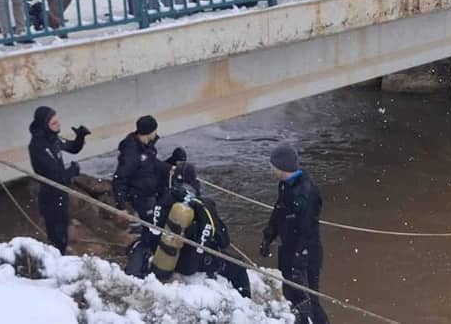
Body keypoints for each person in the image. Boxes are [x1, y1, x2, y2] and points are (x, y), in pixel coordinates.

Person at [125, 162, 251, 298]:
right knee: (238, 268)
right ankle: (246, 302)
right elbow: (224, 241)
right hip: (191, 264)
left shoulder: (164, 199)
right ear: (195, 182)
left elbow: (151, 234)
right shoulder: (203, 205)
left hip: (163, 257)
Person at [259, 144, 328, 324]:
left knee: (308, 299)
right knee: (290, 293)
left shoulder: (307, 191)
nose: (271, 169)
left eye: (273, 166)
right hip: (288, 249)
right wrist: (268, 236)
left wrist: (299, 261)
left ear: (282, 167)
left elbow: (307, 230)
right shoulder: (284, 185)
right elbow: (279, 212)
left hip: (306, 254)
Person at [27, 106, 90, 254]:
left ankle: (62, 250)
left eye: (58, 121)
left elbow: (72, 147)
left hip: (61, 195)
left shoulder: (53, 138)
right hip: (50, 196)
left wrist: (80, 136)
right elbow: (55, 177)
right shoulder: (39, 146)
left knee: (63, 229)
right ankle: (58, 255)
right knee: (56, 234)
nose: (58, 125)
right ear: (45, 125)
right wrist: (72, 171)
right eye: (54, 123)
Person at [112, 115, 186, 224]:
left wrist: (171, 165)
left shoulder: (147, 147)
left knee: (164, 218)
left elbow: (152, 164)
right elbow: (120, 178)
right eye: (155, 130)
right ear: (150, 132)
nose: (156, 132)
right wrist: (121, 205)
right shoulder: (132, 153)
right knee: (153, 226)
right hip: (140, 196)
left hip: (152, 193)